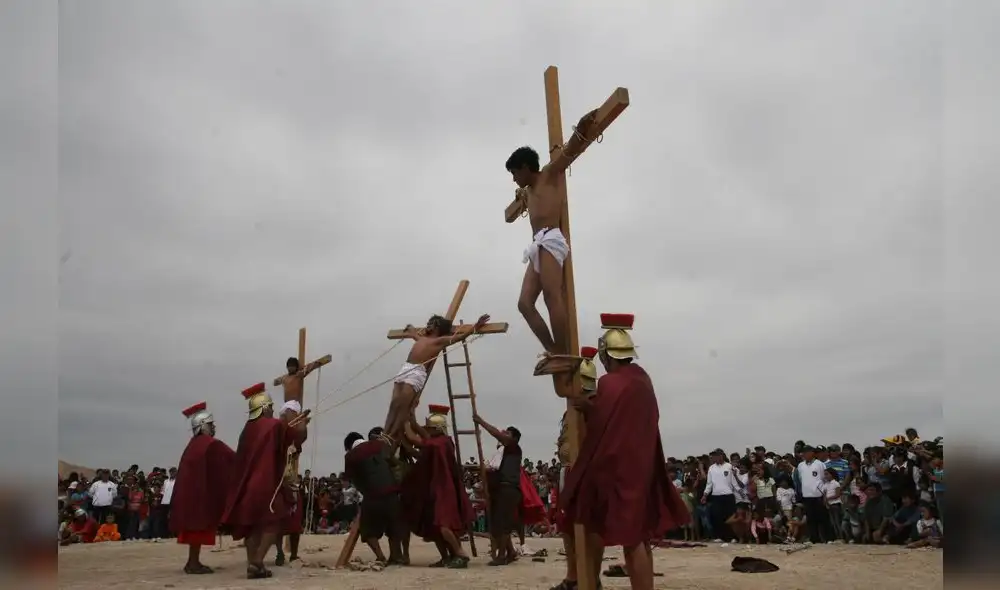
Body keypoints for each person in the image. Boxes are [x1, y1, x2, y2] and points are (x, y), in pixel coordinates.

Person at [557, 314, 690, 590]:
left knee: (615, 532)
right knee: (639, 535)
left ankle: (589, 582)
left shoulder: (610, 383)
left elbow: (604, 424)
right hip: (642, 467)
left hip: (615, 469)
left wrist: (588, 408)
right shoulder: (643, 380)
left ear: (607, 355)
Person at [504, 112, 600, 377]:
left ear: (525, 167)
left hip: (551, 238)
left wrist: (581, 130)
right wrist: (520, 194)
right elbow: (515, 205)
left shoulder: (548, 174)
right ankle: (554, 350)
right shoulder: (527, 192)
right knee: (524, 304)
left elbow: (570, 151)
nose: (514, 178)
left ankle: (564, 353)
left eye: (514, 173)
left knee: (551, 294)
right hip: (537, 244)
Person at [222, 384, 309, 579]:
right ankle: (257, 562)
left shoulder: (247, 429)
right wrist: (301, 422)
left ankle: (253, 563)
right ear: (264, 408)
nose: (272, 410)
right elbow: (296, 437)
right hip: (266, 483)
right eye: (270, 407)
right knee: (274, 524)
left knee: (252, 526)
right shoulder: (273, 425)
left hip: (247, 485)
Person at [383, 314, 490, 449]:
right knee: (394, 403)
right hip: (405, 368)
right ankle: (385, 433)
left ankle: (391, 435)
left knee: (403, 405)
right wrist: (411, 329)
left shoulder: (440, 341)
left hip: (417, 371)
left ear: (437, 327)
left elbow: (460, 337)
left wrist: (476, 326)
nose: (428, 325)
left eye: (431, 323)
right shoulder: (422, 338)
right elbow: (414, 334)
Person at [400, 405, 474, 569]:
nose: (426, 429)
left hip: (443, 489)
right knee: (434, 526)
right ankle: (446, 557)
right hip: (437, 487)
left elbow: (413, 438)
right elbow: (421, 435)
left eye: (429, 427)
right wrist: (411, 416)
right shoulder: (443, 441)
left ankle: (461, 555)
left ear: (436, 429)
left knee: (444, 525)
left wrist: (404, 421)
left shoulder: (438, 444)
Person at [169, 401, 236, 575]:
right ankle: (193, 563)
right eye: (211, 425)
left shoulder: (193, 444)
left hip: (192, 493)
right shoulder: (209, 443)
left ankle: (193, 561)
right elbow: (231, 459)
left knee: (194, 528)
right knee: (197, 528)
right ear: (203, 425)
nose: (213, 428)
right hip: (200, 494)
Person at [344, 430, 405, 565]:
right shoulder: (380, 445)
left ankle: (381, 557)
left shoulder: (350, 456)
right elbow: (393, 463)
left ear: (349, 446)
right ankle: (396, 557)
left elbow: (351, 479)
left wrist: (364, 490)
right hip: (392, 493)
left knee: (367, 530)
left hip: (373, 495)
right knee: (393, 528)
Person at [472, 413, 524, 566]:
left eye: (507, 433)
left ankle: (502, 556)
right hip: (501, 489)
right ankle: (510, 552)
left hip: (508, 489)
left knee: (504, 525)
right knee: (498, 524)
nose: (503, 434)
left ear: (514, 439)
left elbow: (496, 434)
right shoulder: (504, 452)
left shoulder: (514, 448)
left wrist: (481, 422)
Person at [275, 400, 307, 566]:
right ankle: (280, 552)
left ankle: (293, 554)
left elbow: (301, 436)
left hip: (290, 481)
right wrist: (302, 421)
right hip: (278, 482)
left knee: (295, 520)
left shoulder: (291, 432)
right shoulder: (278, 431)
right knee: (278, 520)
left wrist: (301, 421)